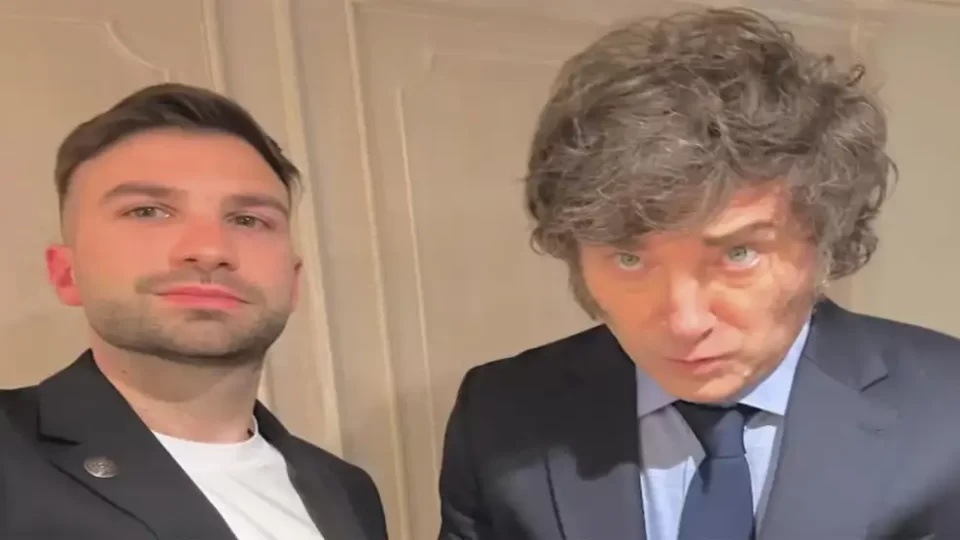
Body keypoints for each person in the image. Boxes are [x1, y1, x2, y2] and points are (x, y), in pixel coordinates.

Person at [436, 7, 960, 540]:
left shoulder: (950, 409)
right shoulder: (499, 416)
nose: (685, 323)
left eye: (738, 254)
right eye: (630, 259)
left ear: (825, 237)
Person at [0, 83, 387, 540]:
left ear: (293, 279)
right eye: (148, 211)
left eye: (248, 219)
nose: (209, 250)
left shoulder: (348, 491)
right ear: (67, 273)